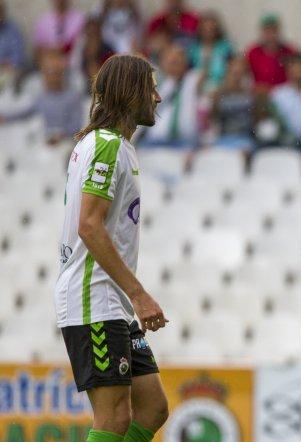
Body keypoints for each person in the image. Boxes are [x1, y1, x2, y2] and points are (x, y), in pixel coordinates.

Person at [55, 54, 168, 442]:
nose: (157, 96)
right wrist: (139, 294)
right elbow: (89, 225)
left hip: (111, 300)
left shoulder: (116, 147)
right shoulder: (105, 145)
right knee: (114, 418)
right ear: (130, 91)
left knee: (152, 408)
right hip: (94, 296)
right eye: (150, 87)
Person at [0, 51, 83, 146]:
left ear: (61, 73)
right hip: (45, 143)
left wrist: (62, 136)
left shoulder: (72, 97)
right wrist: (5, 118)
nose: (49, 77)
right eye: (46, 72)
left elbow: (76, 126)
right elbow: (24, 113)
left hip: (66, 145)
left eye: (53, 72)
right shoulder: (42, 97)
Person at [140, 43, 200, 150]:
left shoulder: (193, 79)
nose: (174, 65)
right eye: (171, 62)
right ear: (163, 64)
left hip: (185, 142)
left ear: (185, 63)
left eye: (178, 61)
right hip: (156, 141)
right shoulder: (157, 84)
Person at [211, 55, 258, 154]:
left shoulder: (252, 94)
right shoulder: (219, 94)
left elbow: (256, 120)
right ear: (228, 73)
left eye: (240, 73)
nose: (237, 77)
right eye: (234, 73)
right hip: (223, 138)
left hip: (245, 138)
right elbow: (213, 118)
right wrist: (216, 100)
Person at [246, 13, 296, 93]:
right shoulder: (253, 53)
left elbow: (295, 76)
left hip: (284, 95)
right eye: (267, 30)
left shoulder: (289, 51)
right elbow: (247, 78)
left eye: (274, 30)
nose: (271, 34)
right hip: (260, 96)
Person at [188, 10, 234, 94]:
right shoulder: (193, 49)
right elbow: (189, 71)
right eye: (205, 29)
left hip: (221, 89)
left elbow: (231, 69)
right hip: (197, 89)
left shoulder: (225, 48)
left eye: (211, 29)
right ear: (200, 30)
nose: (208, 32)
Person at [70, 16, 116, 93]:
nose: (92, 36)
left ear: (100, 33)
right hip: (83, 87)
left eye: (94, 33)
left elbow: (112, 73)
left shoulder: (108, 50)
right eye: (89, 33)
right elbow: (75, 68)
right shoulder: (80, 48)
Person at [0, 0, 26, 82]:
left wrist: (9, 65)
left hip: (10, 73)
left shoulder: (13, 29)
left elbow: (19, 55)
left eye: (1, 10)